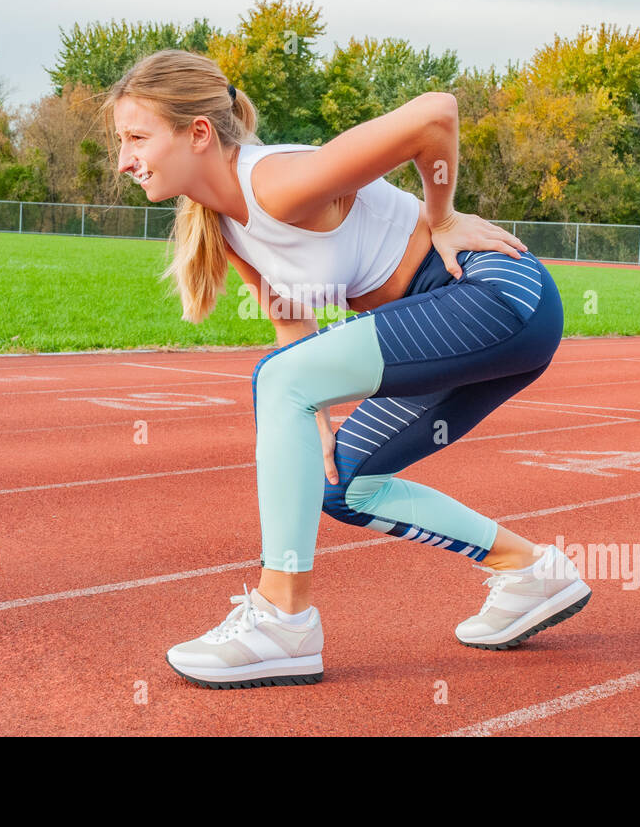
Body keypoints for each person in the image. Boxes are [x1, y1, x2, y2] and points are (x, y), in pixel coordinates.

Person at [102, 49, 590, 689]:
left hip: (496, 298)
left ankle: (282, 619)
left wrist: (440, 217)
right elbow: (291, 328)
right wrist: (319, 425)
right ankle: (528, 572)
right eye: (122, 141)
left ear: (197, 134)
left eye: (137, 138)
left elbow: (434, 116)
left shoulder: (277, 182)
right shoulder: (224, 223)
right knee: (341, 483)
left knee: (279, 383)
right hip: (444, 330)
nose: (123, 159)